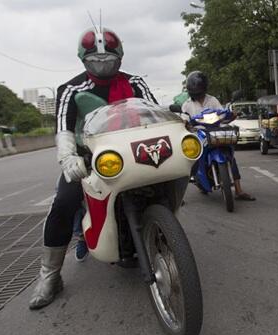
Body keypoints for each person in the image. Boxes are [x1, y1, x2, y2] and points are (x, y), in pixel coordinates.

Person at [29, 26, 157, 310]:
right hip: (89, 157)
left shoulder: (135, 82)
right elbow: (63, 128)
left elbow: (154, 112)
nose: (103, 64)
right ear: (83, 59)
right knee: (64, 202)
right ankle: (49, 276)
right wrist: (68, 158)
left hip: (133, 149)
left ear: (120, 56)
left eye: (108, 58)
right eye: (95, 59)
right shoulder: (71, 89)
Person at [182, 71, 255, 201]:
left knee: (230, 156)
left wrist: (231, 115)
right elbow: (183, 120)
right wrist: (185, 123)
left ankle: (238, 190)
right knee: (188, 161)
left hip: (215, 131)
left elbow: (222, 116)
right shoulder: (187, 105)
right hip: (199, 133)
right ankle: (180, 195)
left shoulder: (212, 100)